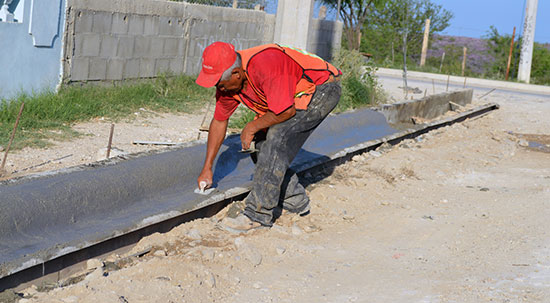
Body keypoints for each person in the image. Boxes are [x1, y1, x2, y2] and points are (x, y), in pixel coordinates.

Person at [195, 41, 341, 232]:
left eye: (221, 85)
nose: (219, 90)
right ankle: (295, 201)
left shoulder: (266, 64)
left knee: (276, 138)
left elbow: (286, 111)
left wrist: (251, 126)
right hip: (290, 99)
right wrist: (207, 168)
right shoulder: (229, 83)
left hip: (321, 90)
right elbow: (219, 121)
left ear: (237, 74)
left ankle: (257, 216)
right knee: (258, 143)